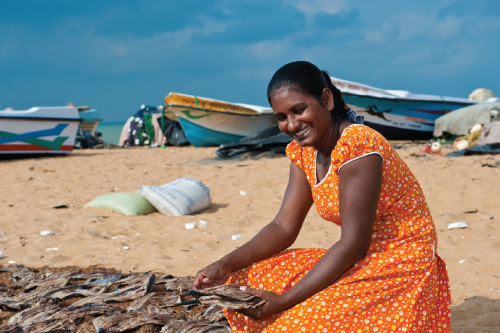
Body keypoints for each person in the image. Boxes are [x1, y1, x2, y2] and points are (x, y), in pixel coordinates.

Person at [193, 61, 452, 332]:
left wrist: (284, 300)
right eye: (281, 117)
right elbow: (283, 226)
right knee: (244, 276)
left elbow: (354, 243)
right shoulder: (304, 151)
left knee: (295, 325)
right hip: (361, 257)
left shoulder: (358, 145)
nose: (292, 125)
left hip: (400, 261)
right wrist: (224, 263)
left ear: (326, 99)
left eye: (299, 109)